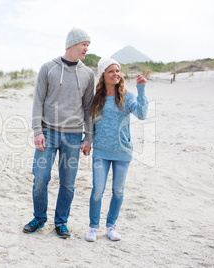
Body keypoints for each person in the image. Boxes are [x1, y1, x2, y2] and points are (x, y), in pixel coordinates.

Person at [23, 27, 95, 239]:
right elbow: (38, 101)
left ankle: (61, 222)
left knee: (68, 183)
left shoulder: (88, 74)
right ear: (73, 43)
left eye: (88, 46)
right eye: (84, 45)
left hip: (73, 136)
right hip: (48, 132)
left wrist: (88, 136)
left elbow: (89, 108)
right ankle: (39, 218)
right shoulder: (48, 68)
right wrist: (38, 131)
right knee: (40, 178)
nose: (87, 50)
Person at [85, 58, 149, 242]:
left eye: (117, 71)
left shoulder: (126, 96)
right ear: (103, 75)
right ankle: (93, 227)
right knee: (97, 190)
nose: (116, 74)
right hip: (101, 151)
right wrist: (87, 140)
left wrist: (141, 89)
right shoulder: (96, 98)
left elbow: (142, 114)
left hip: (122, 151)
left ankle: (111, 227)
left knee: (118, 191)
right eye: (111, 71)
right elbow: (90, 123)